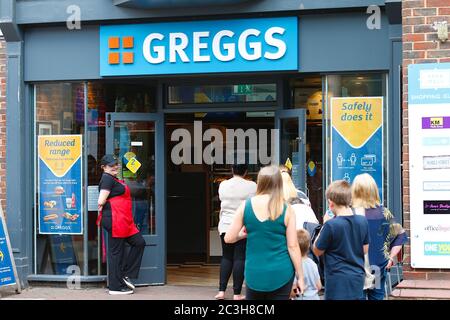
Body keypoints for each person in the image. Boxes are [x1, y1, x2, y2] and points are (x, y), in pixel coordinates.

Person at [225, 165, 305, 300]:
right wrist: (301, 276)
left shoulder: (246, 206)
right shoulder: (287, 209)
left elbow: (229, 238)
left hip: (254, 274)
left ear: (259, 182)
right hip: (282, 273)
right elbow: (293, 246)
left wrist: (242, 235)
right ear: (278, 184)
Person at [351, 173, 408, 300]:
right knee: (377, 297)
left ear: (354, 190)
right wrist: (391, 258)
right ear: (373, 191)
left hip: (355, 269)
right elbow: (400, 235)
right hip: (377, 267)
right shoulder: (383, 213)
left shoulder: (348, 213)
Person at [96, 154, 146, 295]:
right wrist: (102, 206)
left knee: (139, 242)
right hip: (115, 220)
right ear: (103, 167)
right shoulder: (107, 179)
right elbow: (100, 200)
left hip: (123, 221)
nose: (115, 167)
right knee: (116, 253)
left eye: (116, 164)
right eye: (111, 165)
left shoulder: (112, 179)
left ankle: (124, 274)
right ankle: (115, 287)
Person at [313, 180, 369, 300]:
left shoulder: (331, 225)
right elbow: (365, 249)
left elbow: (317, 250)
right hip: (357, 278)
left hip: (337, 281)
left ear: (330, 203)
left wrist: (324, 224)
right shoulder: (362, 221)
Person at [215, 164, 257, 300]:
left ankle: (221, 291)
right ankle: (237, 294)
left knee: (226, 257)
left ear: (232, 170)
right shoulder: (252, 186)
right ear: (245, 172)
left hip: (225, 225)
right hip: (242, 226)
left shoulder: (223, 185)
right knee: (239, 258)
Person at [291, 229, 322, 300]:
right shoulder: (313, 264)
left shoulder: (294, 266)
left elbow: (295, 290)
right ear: (308, 246)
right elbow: (319, 286)